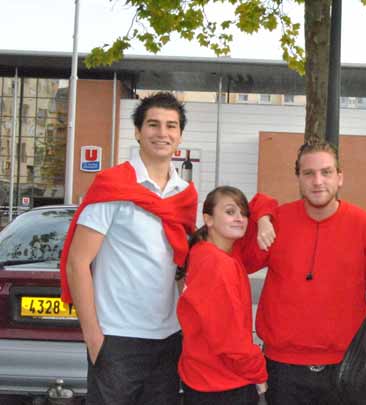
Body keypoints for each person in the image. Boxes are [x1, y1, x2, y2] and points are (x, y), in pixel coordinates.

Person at [60, 92, 198, 405]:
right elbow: (77, 262)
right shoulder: (113, 185)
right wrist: (93, 337)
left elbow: (180, 264)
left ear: (179, 136)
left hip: (168, 338)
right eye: (153, 124)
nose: (162, 133)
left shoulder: (185, 194)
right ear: (137, 132)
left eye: (171, 126)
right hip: (117, 339)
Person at [252, 141, 366, 405]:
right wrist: (261, 213)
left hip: (345, 366)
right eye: (308, 173)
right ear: (298, 179)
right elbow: (237, 254)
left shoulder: (363, 224)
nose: (317, 181)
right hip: (283, 368)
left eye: (326, 172)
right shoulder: (278, 220)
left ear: (340, 177)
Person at [177, 186, 269, 405]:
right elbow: (230, 340)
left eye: (243, 213)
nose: (240, 218)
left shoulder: (205, 250)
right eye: (230, 212)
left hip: (201, 376)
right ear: (208, 219)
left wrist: (264, 219)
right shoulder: (218, 264)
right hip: (224, 384)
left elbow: (264, 201)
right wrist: (259, 373)